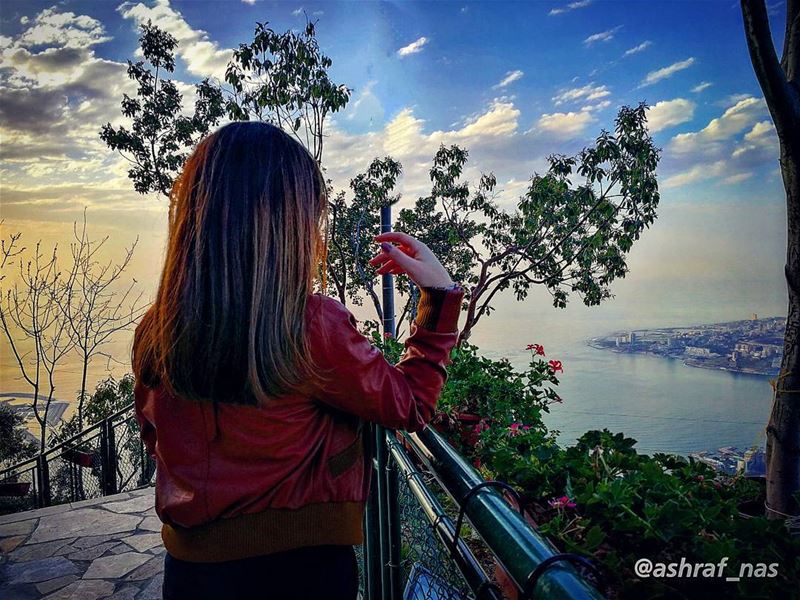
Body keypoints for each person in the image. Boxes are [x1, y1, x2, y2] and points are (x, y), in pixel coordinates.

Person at [132, 121, 464, 599]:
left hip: (190, 573)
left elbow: (156, 438)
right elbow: (408, 404)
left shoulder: (155, 330)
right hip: (302, 572)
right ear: (287, 222)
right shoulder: (309, 326)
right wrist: (439, 296)